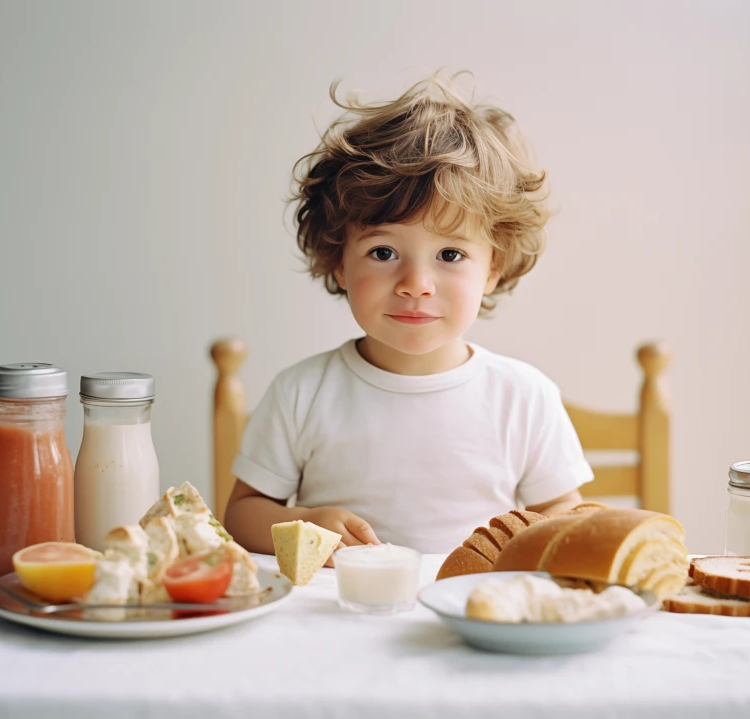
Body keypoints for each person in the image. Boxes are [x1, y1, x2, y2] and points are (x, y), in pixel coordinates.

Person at [223, 72, 593, 556]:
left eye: (450, 255)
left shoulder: (523, 396)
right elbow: (242, 514)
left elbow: (562, 511)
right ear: (339, 258)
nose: (415, 284)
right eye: (382, 253)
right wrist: (304, 522)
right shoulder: (301, 393)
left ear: (493, 269)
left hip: (470, 615)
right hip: (339, 618)